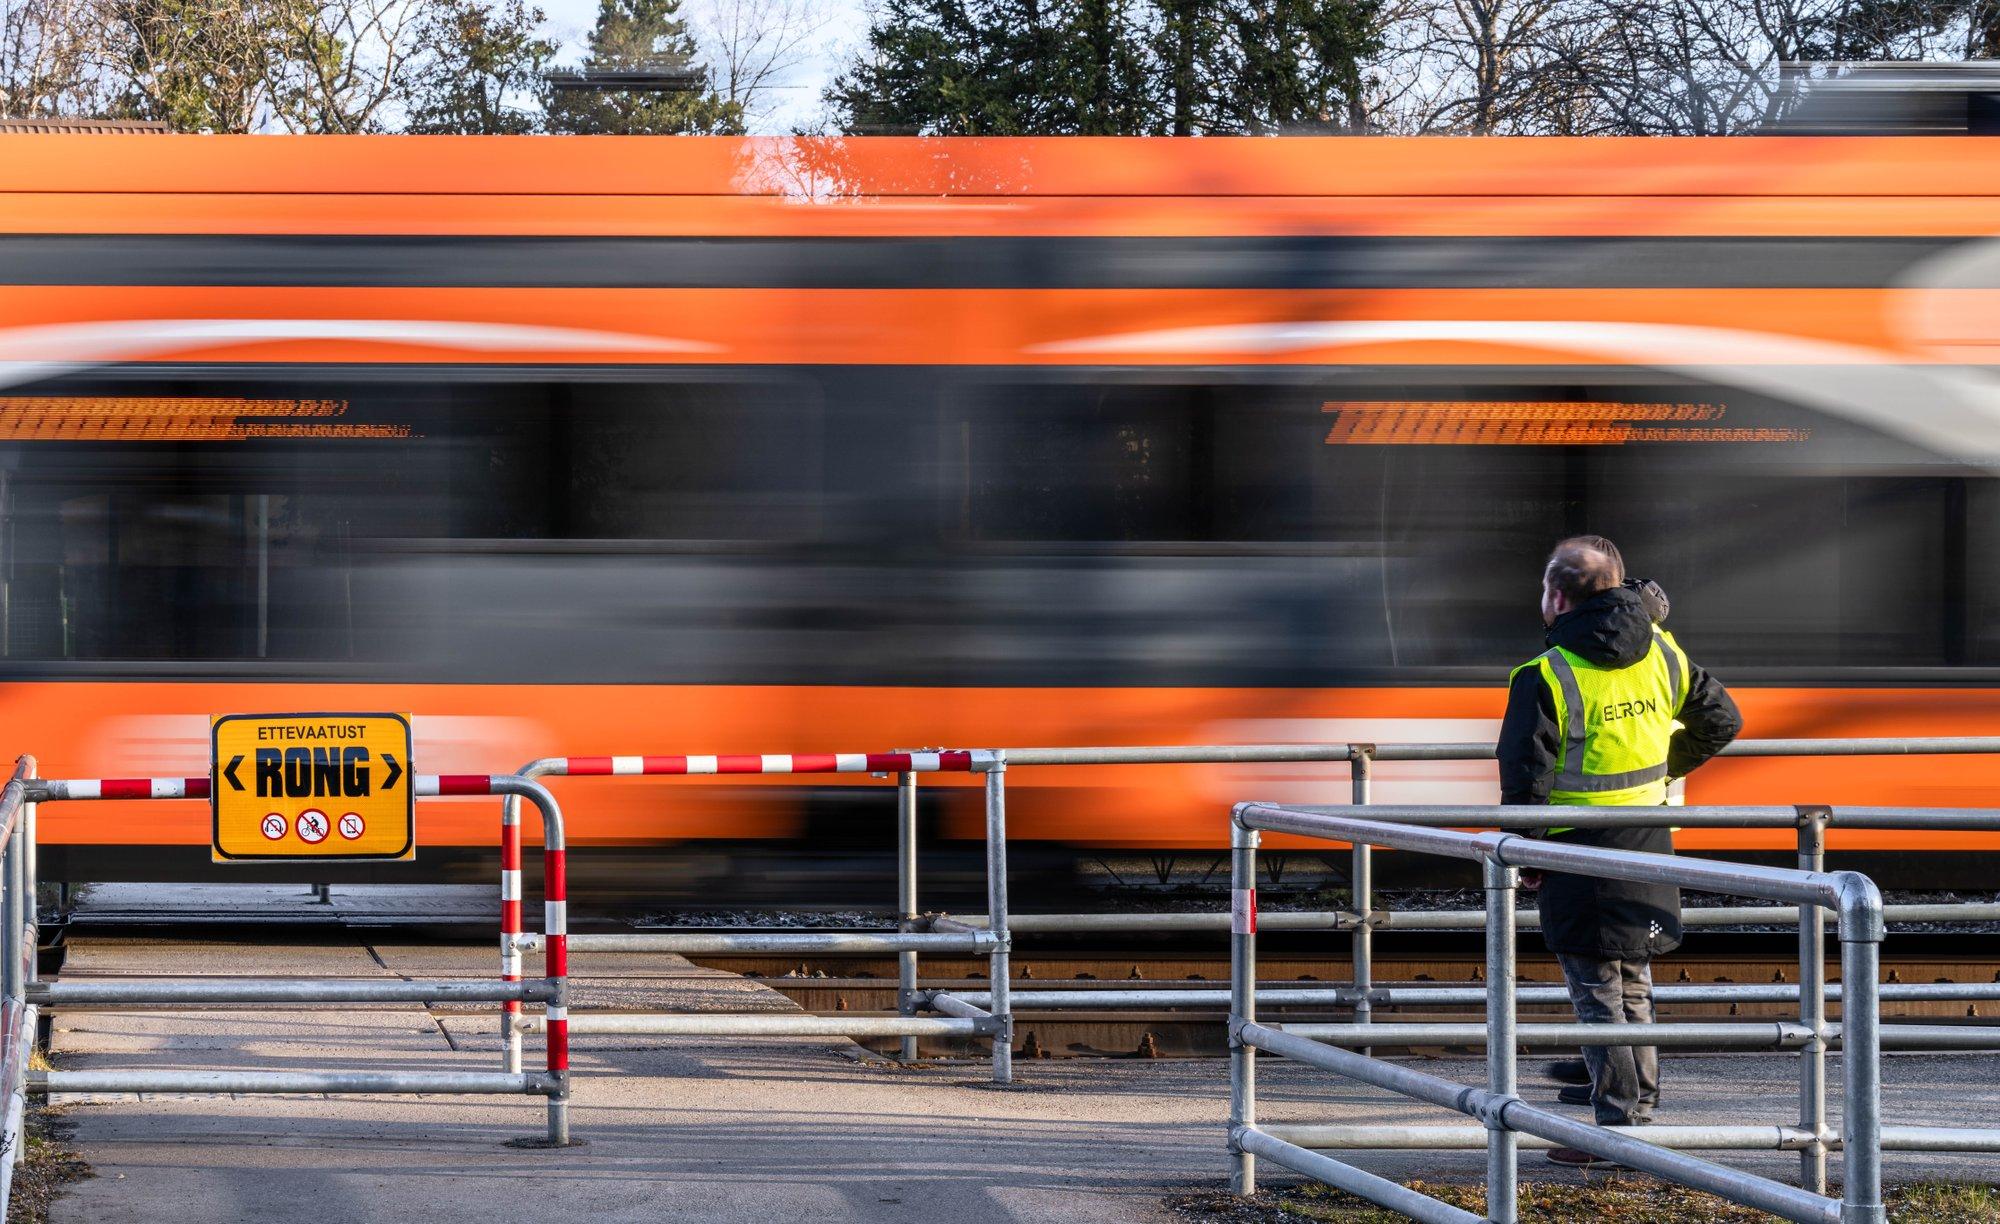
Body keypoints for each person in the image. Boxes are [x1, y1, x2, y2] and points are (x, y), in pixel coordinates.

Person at [1496, 535, 1741, 1167]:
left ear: (1557, 596)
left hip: (1579, 852)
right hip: (1649, 840)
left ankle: (1615, 1127)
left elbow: (1526, 785)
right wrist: (1659, 773)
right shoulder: (1661, 649)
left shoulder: (1544, 675)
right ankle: (1634, 1098)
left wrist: (1528, 859)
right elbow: (1722, 722)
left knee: (1596, 987)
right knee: (1634, 977)